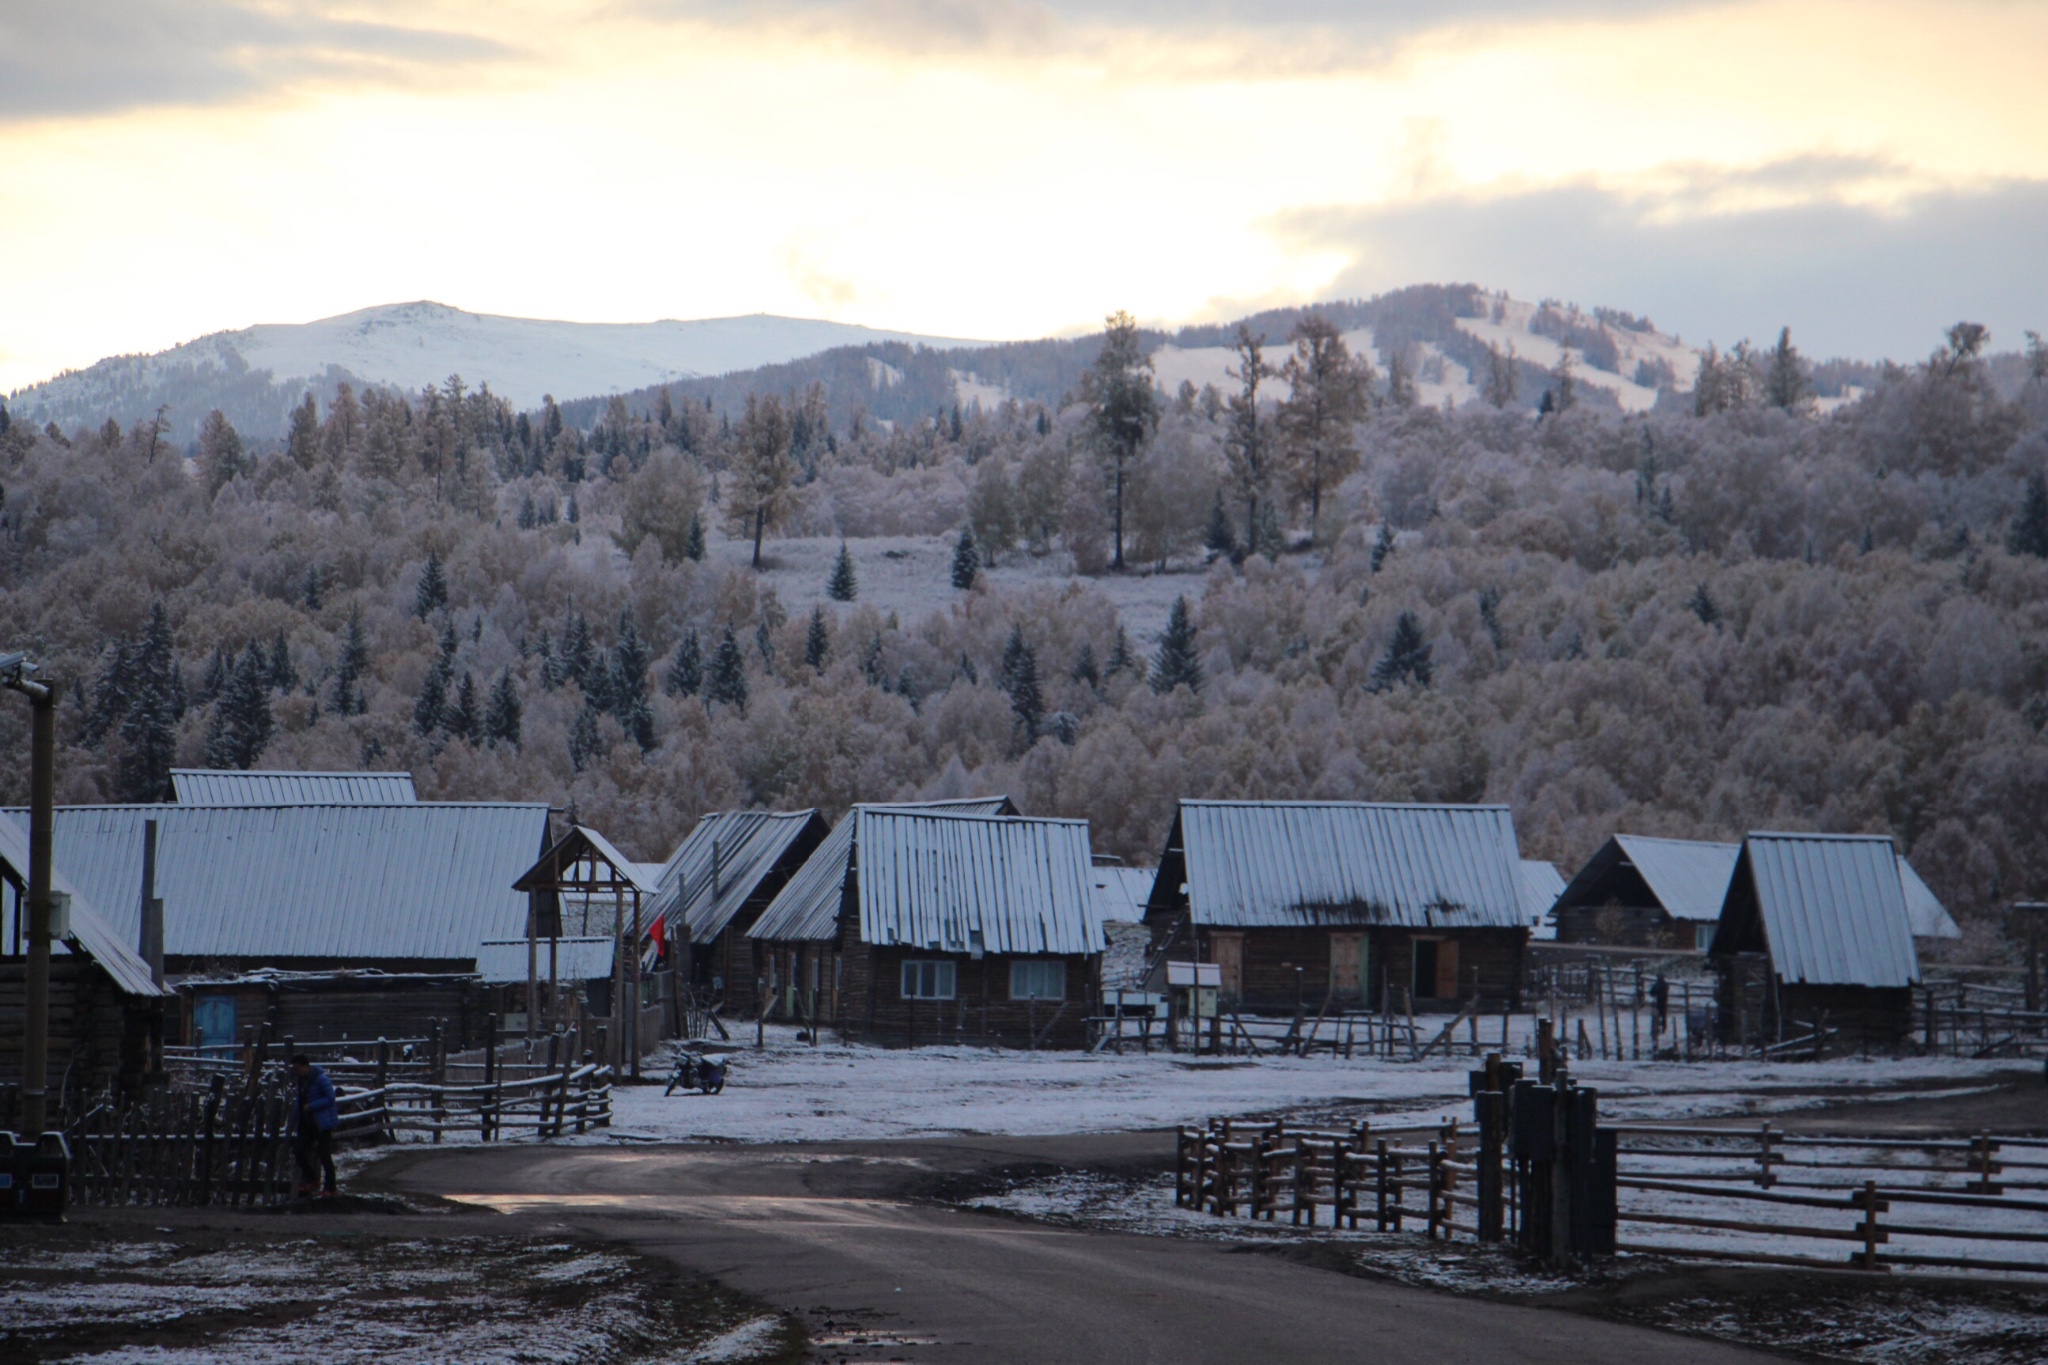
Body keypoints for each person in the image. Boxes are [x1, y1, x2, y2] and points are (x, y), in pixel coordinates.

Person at [291, 1054, 340, 1198]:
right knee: (299, 1150)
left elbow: (330, 1098)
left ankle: (331, 1187)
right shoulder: (301, 1081)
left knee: (324, 1154)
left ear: (305, 1066)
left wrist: (311, 1106)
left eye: (297, 1068)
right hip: (307, 1123)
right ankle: (312, 1179)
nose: (296, 1072)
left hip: (322, 1122)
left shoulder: (321, 1079)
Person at [1650, 972, 1671, 1039]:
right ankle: (1663, 1028)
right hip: (1663, 1002)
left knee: (1658, 1015)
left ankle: (1659, 1028)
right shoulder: (1665, 985)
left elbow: (1651, 992)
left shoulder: (1658, 985)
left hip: (1659, 1001)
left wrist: (1656, 994)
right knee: (1663, 1015)